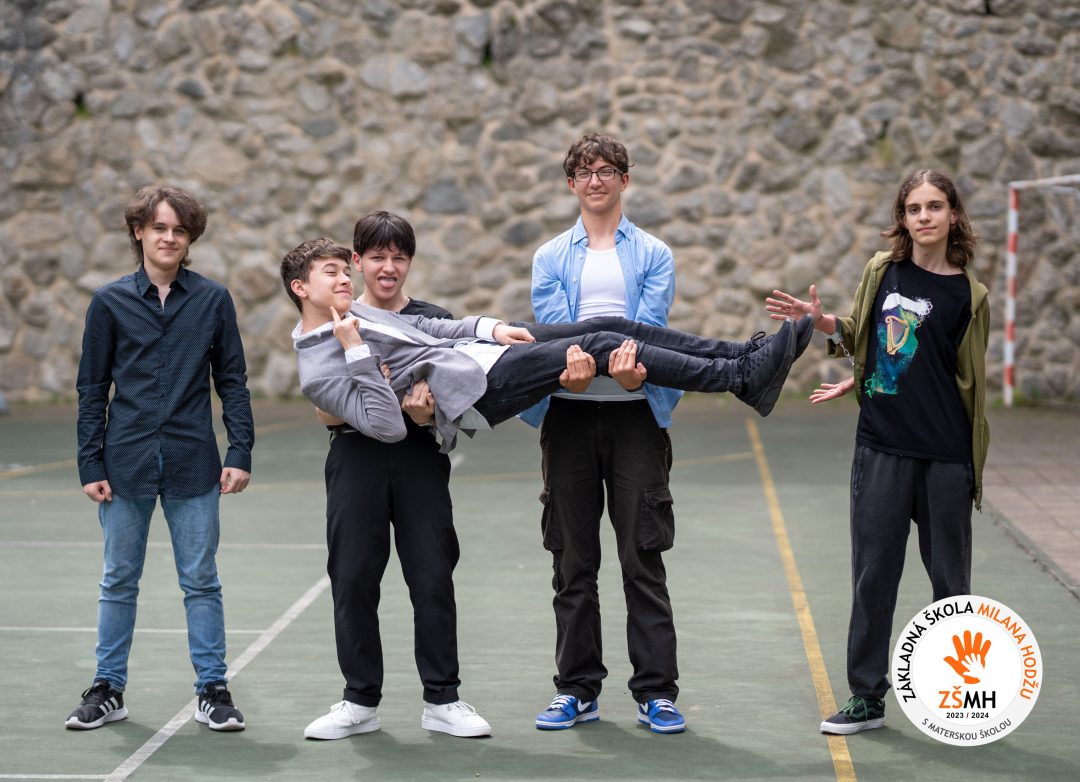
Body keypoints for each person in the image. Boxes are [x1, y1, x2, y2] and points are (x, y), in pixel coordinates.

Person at [519, 132, 774, 734]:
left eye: (607, 170)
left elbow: (649, 334)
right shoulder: (550, 257)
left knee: (643, 557)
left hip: (637, 417)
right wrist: (583, 369)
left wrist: (633, 376)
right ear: (571, 184)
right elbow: (559, 335)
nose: (596, 180)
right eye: (585, 172)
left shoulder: (654, 253)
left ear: (625, 180)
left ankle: (656, 692)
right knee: (572, 563)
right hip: (569, 416)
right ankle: (576, 689)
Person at [765, 169, 989, 735]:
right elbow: (864, 336)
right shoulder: (882, 271)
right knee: (873, 577)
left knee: (951, 585)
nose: (924, 216)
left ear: (953, 215)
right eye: (914, 208)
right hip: (882, 448)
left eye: (935, 206)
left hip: (945, 457)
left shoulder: (971, 295)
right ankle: (866, 697)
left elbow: (962, 378)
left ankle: (957, 697)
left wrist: (972, 462)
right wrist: (820, 322)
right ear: (903, 219)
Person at [281, 239, 813, 458]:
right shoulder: (320, 366)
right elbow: (387, 426)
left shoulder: (354, 315)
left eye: (344, 270)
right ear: (301, 288)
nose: (346, 278)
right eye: (332, 273)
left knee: (609, 322)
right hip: (476, 388)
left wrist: (491, 328)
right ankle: (739, 380)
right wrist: (356, 352)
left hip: (479, 352)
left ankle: (742, 356)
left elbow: (427, 329)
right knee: (602, 345)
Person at [69, 186, 254, 732]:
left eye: (179, 229)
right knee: (118, 580)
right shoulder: (109, 302)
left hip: (193, 458)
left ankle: (212, 690)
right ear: (139, 232)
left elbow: (233, 381)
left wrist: (239, 449)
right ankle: (107, 688)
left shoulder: (213, 300)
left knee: (201, 580)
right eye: (159, 228)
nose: (169, 237)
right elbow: (91, 389)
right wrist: (90, 463)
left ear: (189, 238)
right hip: (123, 461)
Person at [302, 212, 492, 739]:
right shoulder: (336, 315)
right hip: (354, 457)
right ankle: (359, 701)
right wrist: (378, 393)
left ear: (410, 262)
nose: (388, 268)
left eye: (399, 258)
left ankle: (443, 700)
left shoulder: (431, 320)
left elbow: (458, 402)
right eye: (377, 257)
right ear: (357, 261)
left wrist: (427, 416)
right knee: (353, 579)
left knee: (432, 576)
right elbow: (325, 410)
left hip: (419, 457)